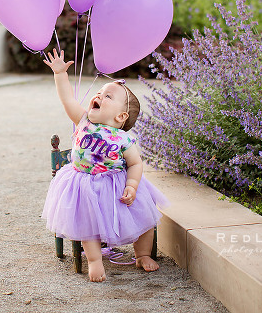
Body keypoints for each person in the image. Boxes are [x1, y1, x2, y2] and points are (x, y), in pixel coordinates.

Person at [41, 49, 169, 282]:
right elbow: (67, 98)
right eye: (100, 92)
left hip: (115, 184)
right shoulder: (82, 119)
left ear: (120, 117)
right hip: (83, 184)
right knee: (87, 223)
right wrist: (60, 74)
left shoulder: (124, 139)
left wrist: (132, 185)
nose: (99, 95)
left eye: (108, 96)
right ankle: (94, 260)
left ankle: (142, 254)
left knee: (144, 218)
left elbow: (135, 163)